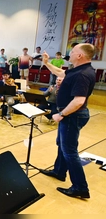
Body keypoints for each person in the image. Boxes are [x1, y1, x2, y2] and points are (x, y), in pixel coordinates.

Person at [39, 43, 96, 199]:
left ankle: (80, 187)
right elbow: (60, 73)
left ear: (80, 56)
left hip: (72, 116)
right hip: (71, 116)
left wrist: (61, 114)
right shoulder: (78, 70)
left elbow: (79, 101)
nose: (69, 54)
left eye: (73, 52)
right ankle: (59, 171)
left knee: (70, 151)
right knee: (62, 145)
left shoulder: (82, 74)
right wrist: (46, 63)